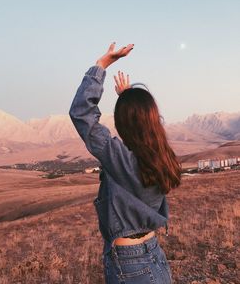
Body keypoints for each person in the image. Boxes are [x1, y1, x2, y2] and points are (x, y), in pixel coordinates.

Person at [69, 43, 181, 284]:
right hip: (154, 254)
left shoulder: (120, 159)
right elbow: (144, 128)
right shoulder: (162, 157)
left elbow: (82, 114)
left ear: (122, 122)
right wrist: (129, 100)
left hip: (129, 264)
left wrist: (101, 65)